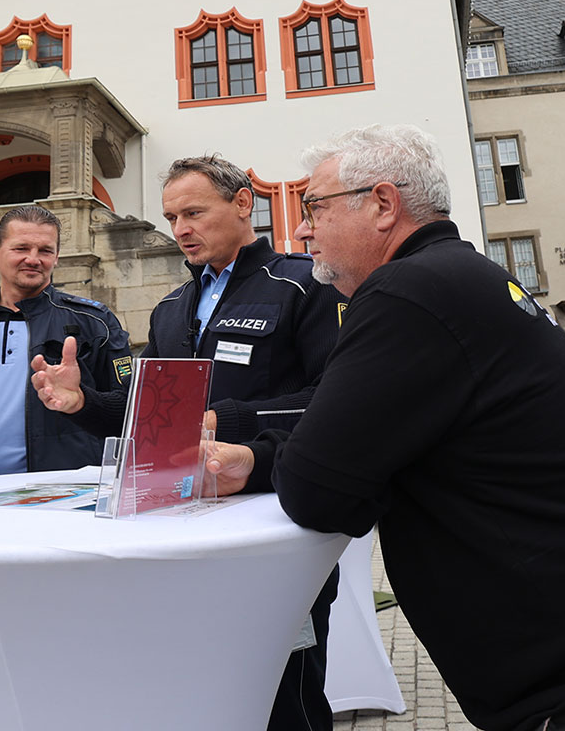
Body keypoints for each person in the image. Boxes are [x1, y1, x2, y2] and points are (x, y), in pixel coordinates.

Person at [203, 126, 565, 731]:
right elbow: (372, 433)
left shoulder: (407, 294)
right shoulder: (456, 279)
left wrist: (279, 463)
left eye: (315, 207)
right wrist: (259, 460)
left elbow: (320, 489)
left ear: (384, 205)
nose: (303, 228)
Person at [33, 154, 344, 731]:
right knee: (197, 686)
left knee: (285, 691)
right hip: (181, 522)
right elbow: (156, 414)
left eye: (194, 213)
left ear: (243, 203)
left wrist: (226, 421)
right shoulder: (173, 307)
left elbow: (334, 400)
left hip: (273, 517)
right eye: (172, 217)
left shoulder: (303, 285)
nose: (180, 229)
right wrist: (84, 403)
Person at [0, 203, 131, 474]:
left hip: (64, 494)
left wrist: (81, 400)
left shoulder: (94, 322)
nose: (33, 258)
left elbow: (131, 410)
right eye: (21, 248)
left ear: (57, 257)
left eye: (45, 250)